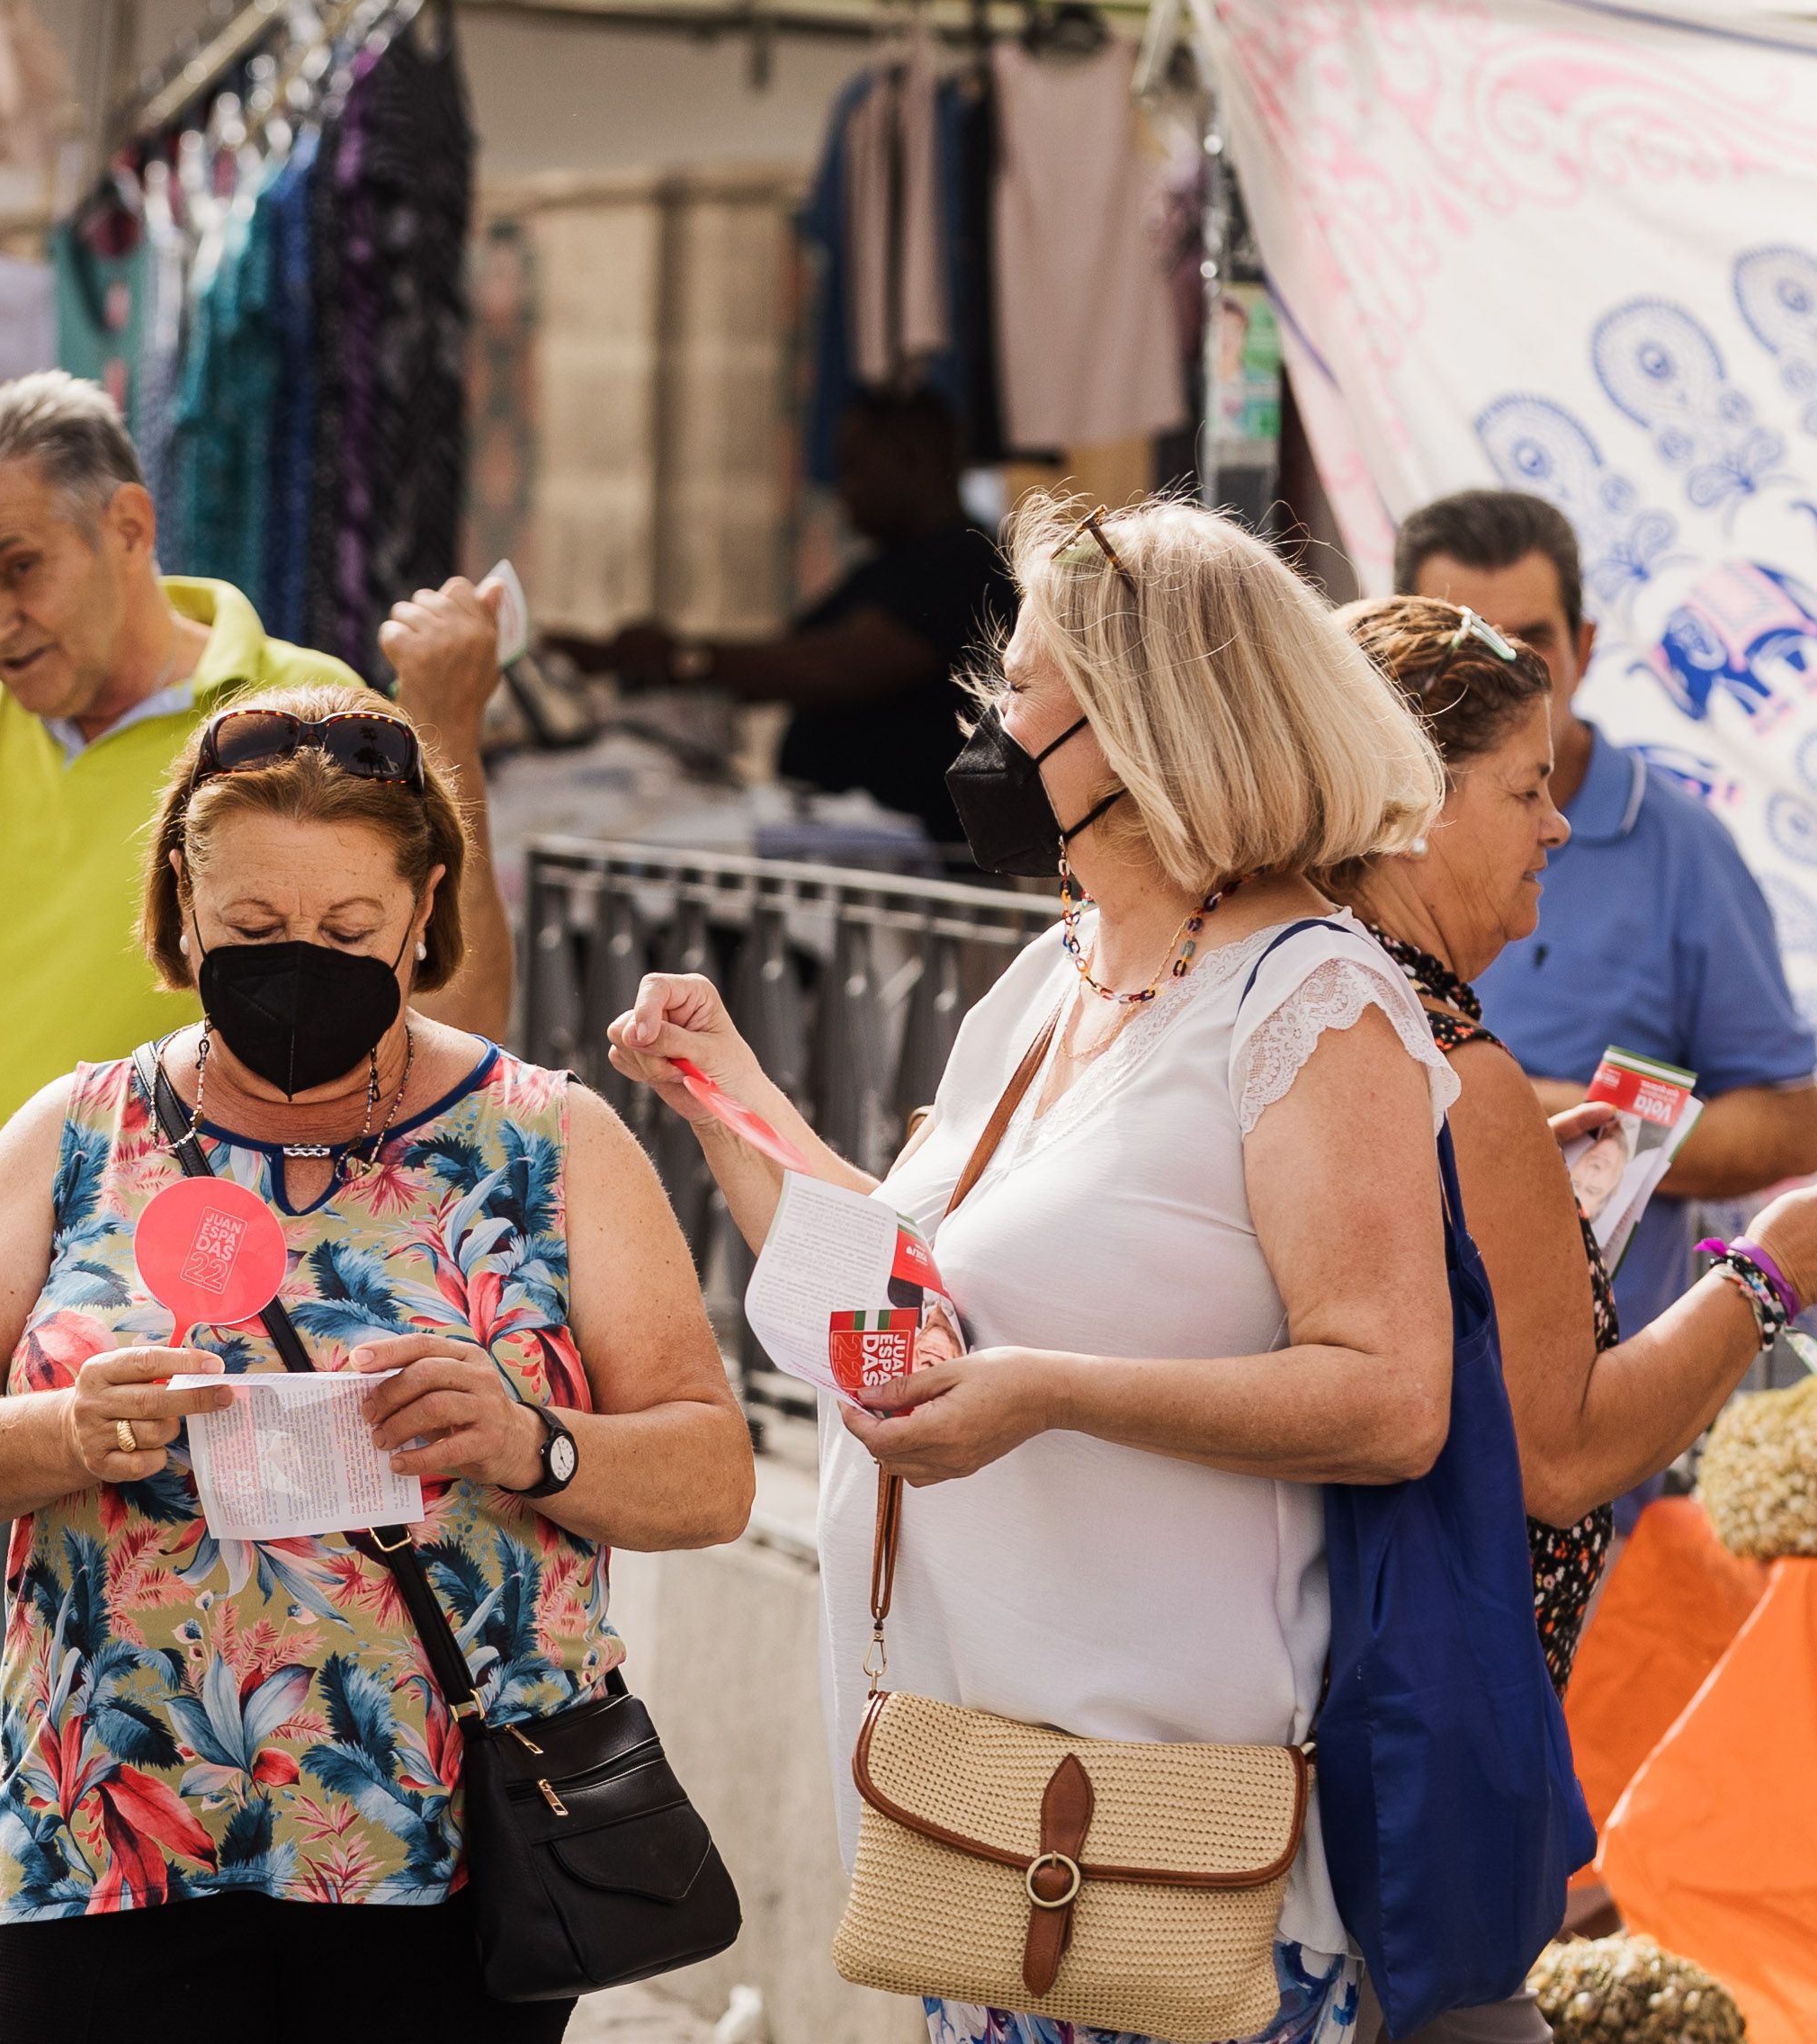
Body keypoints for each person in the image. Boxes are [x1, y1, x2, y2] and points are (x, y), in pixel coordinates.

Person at [0, 369, 513, 2036]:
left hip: (241, 1364)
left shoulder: (301, 701)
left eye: (14, 570)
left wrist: (455, 744)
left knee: (211, 1819)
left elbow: (464, 1021)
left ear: (125, 526)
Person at [611, 495, 1462, 2044]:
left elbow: (1389, 1395)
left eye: (1023, 683)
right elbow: (910, 1290)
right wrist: (727, 1094)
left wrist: (1044, 1394)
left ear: (1146, 720)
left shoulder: (1309, 999)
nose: (986, 715)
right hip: (967, 1807)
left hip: (1165, 1833)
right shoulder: (1049, 973)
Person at [0, 681, 751, 2040]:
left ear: (425, 905)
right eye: (255, 929)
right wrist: (62, 1434)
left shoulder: (549, 1141)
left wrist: (531, 1442)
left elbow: (712, 1475)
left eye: (348, 930)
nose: (299, 963)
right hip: (110, 1855)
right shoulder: (78, 1130)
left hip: (437, 1871)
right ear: (180, 905)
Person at [1323, 595, 1817, 1698]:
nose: (1556, 824)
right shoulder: (1445, 1059)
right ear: (1409, 805)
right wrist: (1774, 1266)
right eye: (1526, 788)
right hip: (1431, 1688)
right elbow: (1565, 1456)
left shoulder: (1309, 988)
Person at [1398, 489, 1817, 1341]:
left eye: (1531, 644)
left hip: (1602, 1394)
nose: (1498, 679)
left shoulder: (1681, 851)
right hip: (1396, 1372)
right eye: (1465, 645)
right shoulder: (1343, 842)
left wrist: (1562, 1119)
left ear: (1585, 650)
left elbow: (1791, 1120)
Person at [594, 385, 1016, 847]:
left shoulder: (964, 561)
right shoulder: (890, 564)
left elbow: (842, 666)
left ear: (912, 459)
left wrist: (691, 661)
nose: (843, 487)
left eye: (856, 465)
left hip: (916, 860)